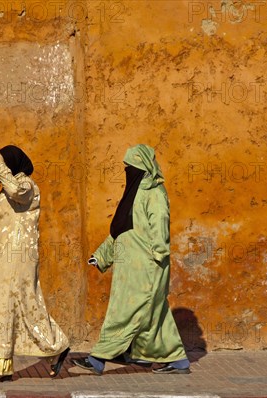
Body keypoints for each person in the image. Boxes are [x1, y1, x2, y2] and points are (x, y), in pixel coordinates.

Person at [72, 144, 190, 375]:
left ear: (142, 167)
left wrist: (158, 255)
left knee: (125, 311)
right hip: (130, 268)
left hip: (147, 267)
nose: (127, 171)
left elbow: (159, 226)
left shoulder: (155, 193)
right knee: (154, 313)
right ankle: (173, 360)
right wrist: (101, 255)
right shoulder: (134, 193)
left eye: (130, 167)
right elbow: (122, 230)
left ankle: (98, 358)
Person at [0, 145, 70, 383]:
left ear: (11, 163)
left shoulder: (26, 185)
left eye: (2, 161)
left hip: (19, 255)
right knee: (26, 304)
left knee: (3, 304)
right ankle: (56, 347)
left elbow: (18, 192)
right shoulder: (4, 189)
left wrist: (0, 169)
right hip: (4, 256)